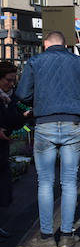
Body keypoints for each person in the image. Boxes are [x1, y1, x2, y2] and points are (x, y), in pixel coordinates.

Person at [16, 31, 80, 247]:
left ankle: (46, 236)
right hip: (72, 123)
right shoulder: (79, 63)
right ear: (64, 44)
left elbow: (22, 94)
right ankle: (66, 235)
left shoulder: (35, 61)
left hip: (44, 124)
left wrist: (39, 101)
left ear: (45, 44)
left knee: (45, 182)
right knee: (69, 181)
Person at [0, 62, 28, 238]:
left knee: (3, 188)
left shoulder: (9, 98)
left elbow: (12, 121)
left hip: (2, 149)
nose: (11, 84)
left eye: (13, 80)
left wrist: (24, 117)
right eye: (8, 80)